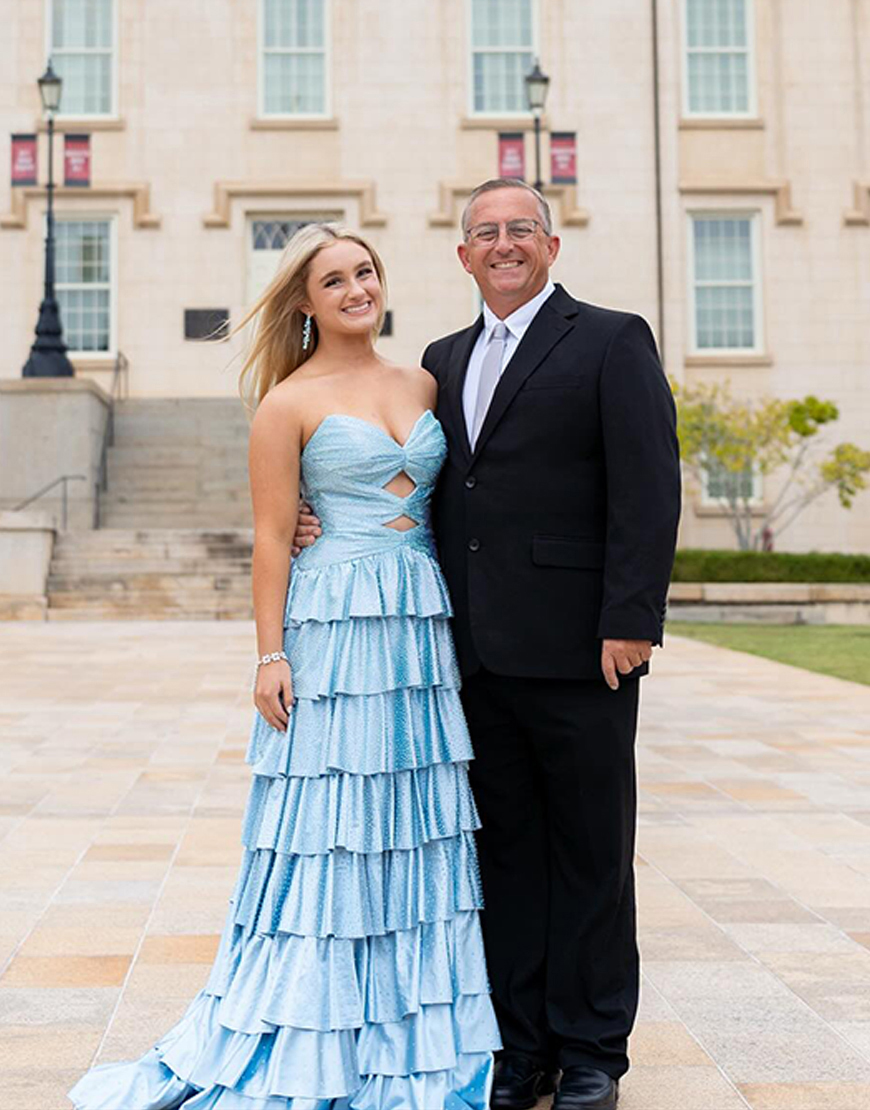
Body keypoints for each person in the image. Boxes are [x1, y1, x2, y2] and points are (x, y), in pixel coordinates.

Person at [67, 223, 500, 1110]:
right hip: (332, 627)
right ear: (304, 301)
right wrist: (269, 654)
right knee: (328, 820)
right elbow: (272, 538)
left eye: (365, 272)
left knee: (410, 818)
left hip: (418, 625)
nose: (355, 289)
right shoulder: (286, 404)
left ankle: (416, 1024)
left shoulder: (425, 380)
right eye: (334, 280)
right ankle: (310, 1027)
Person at [294, 179, 682, 1110]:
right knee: (502, 857)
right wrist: (324, 519)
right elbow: (420, 487)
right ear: (462, 256)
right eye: (484, 233)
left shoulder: (610, 338)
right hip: (468, 656)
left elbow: (648, 481)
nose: (503, 244)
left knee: (590, 854)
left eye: (520, 229)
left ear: (551, 246)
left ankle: (593, 1053)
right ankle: (521, 1050)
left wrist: (630, 617)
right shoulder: (441, 357)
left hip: (582, 650)